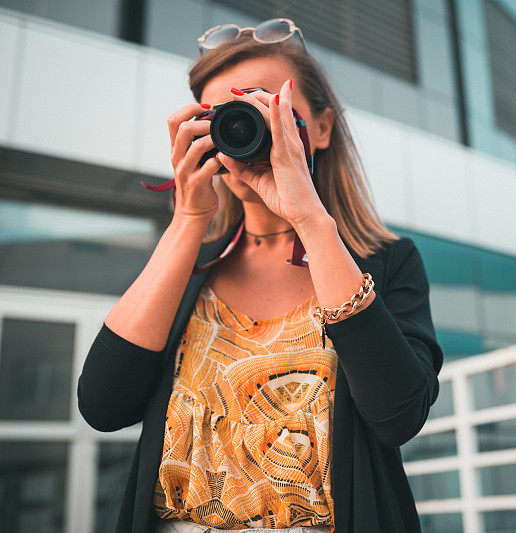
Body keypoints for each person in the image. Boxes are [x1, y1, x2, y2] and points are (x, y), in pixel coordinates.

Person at [76, 18, 443, 533]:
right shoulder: (191, 266)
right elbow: (101, 405)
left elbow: (397, 417)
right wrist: (187, 219)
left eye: (268, 108)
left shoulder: (386, 261)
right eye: (224, 115)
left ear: (321, 127)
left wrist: (311, 220)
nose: (246, 128)